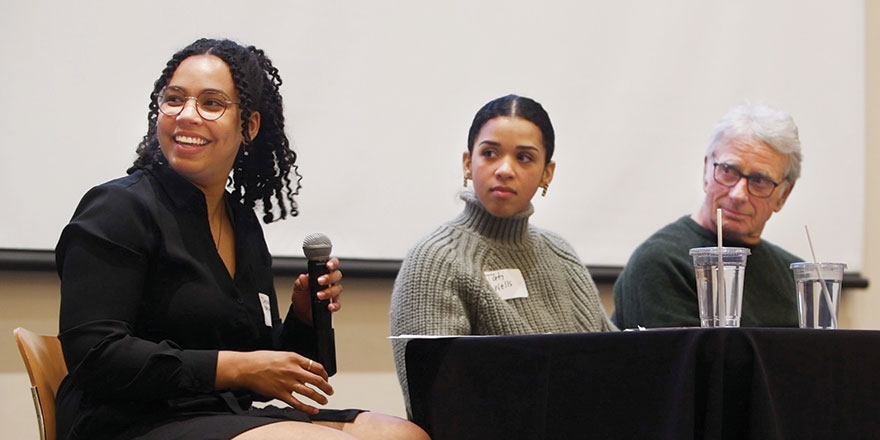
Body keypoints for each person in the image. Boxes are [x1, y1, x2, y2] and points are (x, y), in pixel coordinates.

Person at [55, 38, 428, 440]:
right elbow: (96, 355)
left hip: (219, 414)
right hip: (131, 421)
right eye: (174, 99)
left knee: (402, 435)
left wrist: (303, 319)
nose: (187, 115)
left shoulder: (242, 224)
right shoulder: (118, 208)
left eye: (211, 103)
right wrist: (238, 369)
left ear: (248, 126)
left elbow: (259, 356)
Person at [390, 94, 616, 412]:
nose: (505, 170)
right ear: (469, 163)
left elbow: (615, 365)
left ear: (546, 173)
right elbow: (438, 404)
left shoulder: (560, 253)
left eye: (524, 158)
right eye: (490, 153)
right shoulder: (435, 259)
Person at [612, 102, 804, 329]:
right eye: (728, 171)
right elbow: (685, 362)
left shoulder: (795, 274)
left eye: (759, 181)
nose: (738, 194)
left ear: (783, 195)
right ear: (706, 171)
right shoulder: (661, 263)